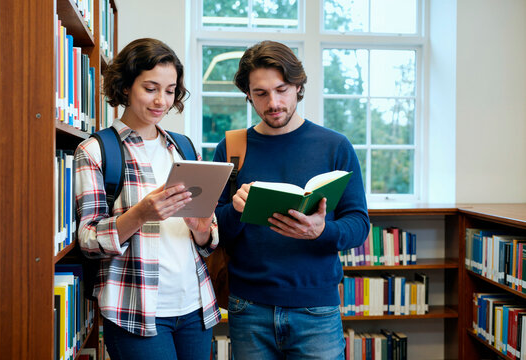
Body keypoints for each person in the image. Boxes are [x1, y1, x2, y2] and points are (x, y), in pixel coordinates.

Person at [213, 40, 370, 359]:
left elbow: (359, 224)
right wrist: (235, 210)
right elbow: (212, 228)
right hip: (248, 308)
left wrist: (321, 231)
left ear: (298, 86)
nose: (273, 102)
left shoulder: (335, 146)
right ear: (248, 95)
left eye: (282, 89)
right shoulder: (231, 148)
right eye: (261, 93)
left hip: (316, 309)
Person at [75, 38, 220, 360]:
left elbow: (207, 241)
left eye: (170, 91)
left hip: (195, 307)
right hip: (134, 310)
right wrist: (140, 213)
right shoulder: (97, 151)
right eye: (151, 88)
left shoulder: (184, 148)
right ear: (126, 86)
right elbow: (88, 240)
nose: (162, 101)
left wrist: (202, 228)